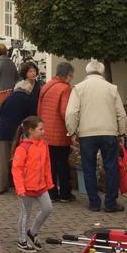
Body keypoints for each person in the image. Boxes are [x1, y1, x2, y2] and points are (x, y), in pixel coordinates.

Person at [65, 60, 127, 214]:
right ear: (102, 72)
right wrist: (121, 132)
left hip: (87, 134)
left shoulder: (79, 88)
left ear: (87, 72)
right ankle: (111, 203)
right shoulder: (112, 88)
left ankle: (94, 202)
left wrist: (72, 131)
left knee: (89, 168)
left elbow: (72, 112)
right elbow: (121, 113)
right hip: (109, 132)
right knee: (111, 168)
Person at [13, 116, 54, 252]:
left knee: (48, 208)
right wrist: (20, 188)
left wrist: (48, 183)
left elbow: (47, 164)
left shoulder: (44, 144)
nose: (44, 131)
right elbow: (16, 169)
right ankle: (22, 241)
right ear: (31, 131)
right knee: (25, 214)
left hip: (41, 186)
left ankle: (32, 232)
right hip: (26, 188)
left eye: (43, 128)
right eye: (40, 129)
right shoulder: (23, 148)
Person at [38, 61, 76, 202]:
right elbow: (65, 112)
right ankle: (65, 193)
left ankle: (51, 193)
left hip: (45, 132)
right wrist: (72, 130)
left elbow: (39, 108)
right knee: (62, 164)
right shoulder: (65, 89)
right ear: (68, 75)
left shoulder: (46, 86)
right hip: (59, 133)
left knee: (50, 165)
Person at [0, 80, 36, 194]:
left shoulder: (9, 98)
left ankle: (0, 186)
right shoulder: (28, 100)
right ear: (28, 90)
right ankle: (21, 186)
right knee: (20, 160)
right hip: (18, 134)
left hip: (3, 132)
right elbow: (31, 118)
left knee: (2, 160)